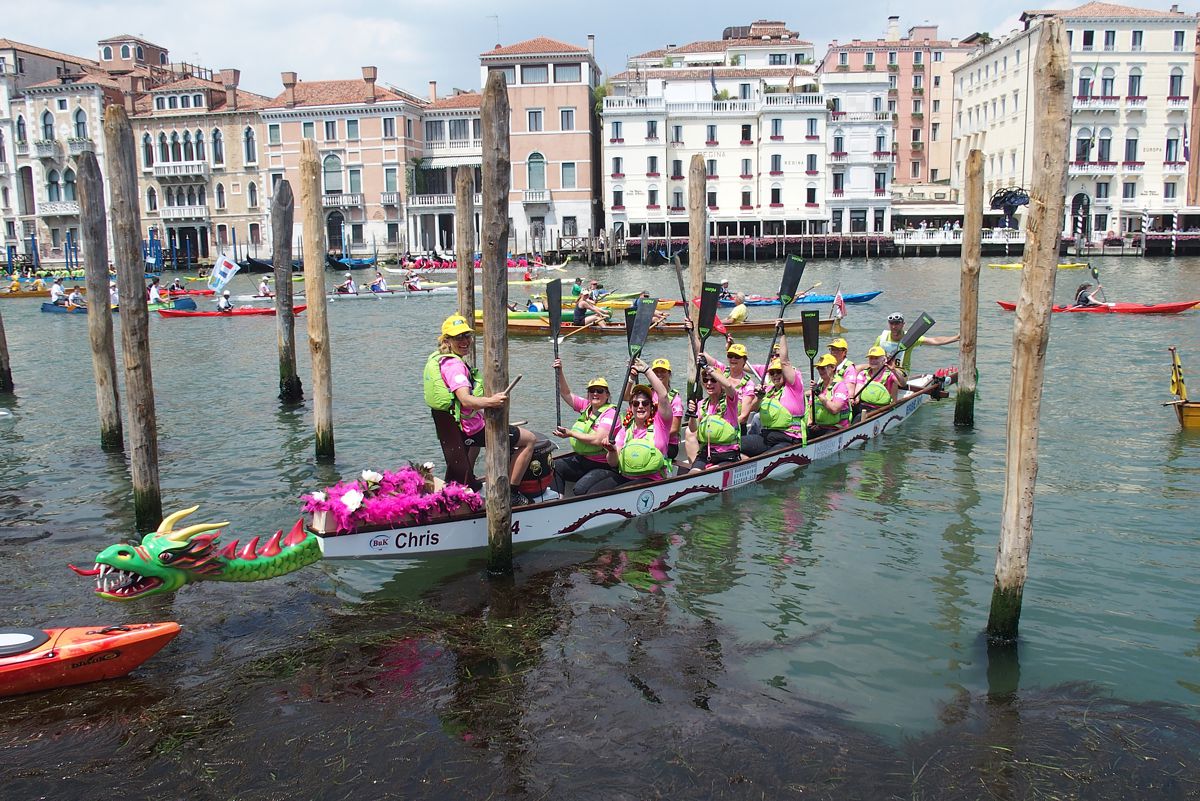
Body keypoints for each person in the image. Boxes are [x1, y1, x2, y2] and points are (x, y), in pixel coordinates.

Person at [424, 314, 536, 505]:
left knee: (473, 445)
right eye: (458, 337)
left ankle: (468, 483)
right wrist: (491, 401)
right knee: (529, 440)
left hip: (458, 427)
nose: (464, 341)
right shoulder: (455, 366)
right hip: (472, 429)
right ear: (446, 340)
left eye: (467, 336)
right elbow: (465, 400)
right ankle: (511, 493)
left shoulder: (441, 360)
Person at [572, 363, 674, 495]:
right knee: (590, 491)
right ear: (631, 407)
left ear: (651, 406)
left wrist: (647, 371)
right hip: (626, 476)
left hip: (651, 479)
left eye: (645, 403)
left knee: (612, 494)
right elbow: (613, 463)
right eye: (636, 403)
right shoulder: (626, 429)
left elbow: (663, 395)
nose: (640, 406)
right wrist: (612, 451)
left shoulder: (661, 423)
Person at [550, 361, 617, 495]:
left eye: (600, 391)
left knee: (580, 489)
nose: (595, 394)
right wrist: (560, 371)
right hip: (583, 459)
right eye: (592, 391)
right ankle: (556, 501)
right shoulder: (586, 406)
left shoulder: (611, 413)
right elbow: (566, 393)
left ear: (607, 395)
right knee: (554, 466)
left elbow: (598, 440)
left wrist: (570, 433)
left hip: (603, 464)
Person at [742, 327, 806, 455]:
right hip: (766, 437)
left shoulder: (794, 387)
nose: (775, 375)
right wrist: (759, 397)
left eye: (779, 372)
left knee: (766, 457)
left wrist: (782, 334)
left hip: (788, 438)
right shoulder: (769, 390)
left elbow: (785, 362)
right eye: (772, 373)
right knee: (735, 444)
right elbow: (754, 409)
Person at [687, 357, 743, 471]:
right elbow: (693, 429)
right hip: (706, 454)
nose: (709, 383)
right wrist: (692, 415)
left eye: (713, 380)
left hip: (727, 455)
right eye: (705, 380)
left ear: (720, 383)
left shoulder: (730, 401)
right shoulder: (702, 404)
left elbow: (728, 386)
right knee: (693, 475)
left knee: (710, 473)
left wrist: (706, 367)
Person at [874, 312, 959, 373]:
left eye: (897, 323)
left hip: (901, 371)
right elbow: (872, 357)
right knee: (860, 368)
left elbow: (934, 341)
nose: (894, 326)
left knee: (891, 377)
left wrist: (956, 338)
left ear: (903, 324)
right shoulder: (881, 338)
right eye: (891, 323)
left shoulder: (911, 337)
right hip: (883, 369)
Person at [810, 353, 854, 436]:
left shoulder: (840, 386)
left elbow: (835, 409)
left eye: (823, 368)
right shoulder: (818, 386)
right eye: (818, 368)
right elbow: (810, 409)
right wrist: (811, 424)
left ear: (833, 367)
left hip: (837, 428)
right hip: (821, 426)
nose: (820, 371)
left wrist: (819, 393)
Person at [853, 345, 905, 414]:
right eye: (871, 358)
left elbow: (903, 384)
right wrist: (855, 399)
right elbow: (858, 390)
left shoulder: (890, 375)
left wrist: (894, 370)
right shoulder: (863, 374)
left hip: (882, 409)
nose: (873, 361)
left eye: (876, 358)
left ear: (884, 360)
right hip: (863, 406)